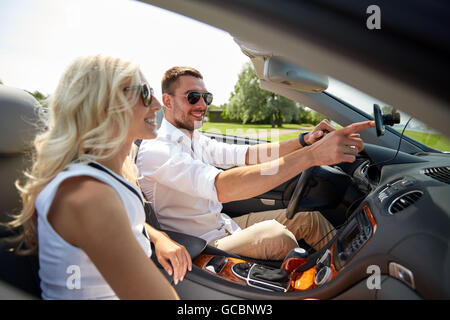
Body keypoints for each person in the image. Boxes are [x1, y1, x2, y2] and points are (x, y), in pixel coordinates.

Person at [137, 66, 375, 263]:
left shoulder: (194, 139)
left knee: (308, 218)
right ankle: (314, 286)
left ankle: (346, 271)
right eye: (193, 97)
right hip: (201, 244)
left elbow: (248, 154)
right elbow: (221, 187)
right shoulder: (159, 150)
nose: (202, 105)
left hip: (223, 226)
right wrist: (311, 156)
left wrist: (304, 141)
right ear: (167, 101)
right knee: (277, 236)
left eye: (206, 97)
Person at [6, 55, 191, 299]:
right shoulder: (89, 195)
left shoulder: (99, 178)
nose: (157, 104)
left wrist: (157, 237)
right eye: (144, 93)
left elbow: (115, 219)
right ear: (102, 106)